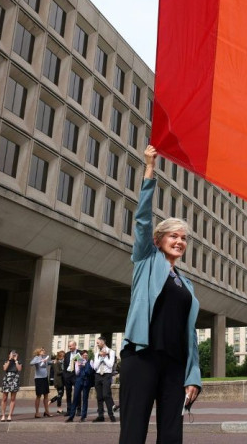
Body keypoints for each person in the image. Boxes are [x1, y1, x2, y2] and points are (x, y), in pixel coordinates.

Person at [119, 145, 201, 444]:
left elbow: (189, 334)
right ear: (158, 239)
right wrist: (149, 169)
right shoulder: (145, 260)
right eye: (173, 235)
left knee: (171, 435)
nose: (179, 241)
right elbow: (142, 219)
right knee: (133, 432)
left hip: (175, 365)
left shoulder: (186, 284)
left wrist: (193, 376)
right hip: (142, 358)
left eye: (184, 238)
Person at [91, 336, 117, 422]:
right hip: (98, 375)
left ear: (103, 342)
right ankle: (100, 416)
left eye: (98, 342)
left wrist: (104, 357)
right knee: (99, 397)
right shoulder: (96, 353)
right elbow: (95, 367)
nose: (97, 344)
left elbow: (110, 365)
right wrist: (100, 356)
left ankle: (111, 414)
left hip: (107, 375)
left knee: (106, 394)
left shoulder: (111, 352)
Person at [66, 350, 94, 422]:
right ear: (81, 356)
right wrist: (78, 365)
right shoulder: (78, 361)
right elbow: (77, 372)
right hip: (79, 380)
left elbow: (90, 372)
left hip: (86, 381)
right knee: (75, 398)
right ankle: (71, 416)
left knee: (85, 399)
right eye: (84, 355)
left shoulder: (90, 362)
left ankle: (83, 416)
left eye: (86, 355)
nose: (85, 356)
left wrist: (85, 365)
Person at [30, 348, 53, 418]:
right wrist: (40, 360)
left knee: (46, 395)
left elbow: (48, 363)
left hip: (45, 378)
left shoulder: (45, 358)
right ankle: (37, 413)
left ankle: (47, 411)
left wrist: (54, 361)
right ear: (39, 352)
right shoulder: (36, 358)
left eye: (44, 350)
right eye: (42, 350)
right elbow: (31, 363)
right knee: (38, 396)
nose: (44, 351)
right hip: (38, 378)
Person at [0, 350, 21, 421]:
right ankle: (3, 415)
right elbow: (5, 368)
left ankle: (9, 415)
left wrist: (16, 360)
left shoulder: (18, 361)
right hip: (7, 379)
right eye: (12, 354)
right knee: (4, 398)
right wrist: (9, 360)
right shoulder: (6, 361)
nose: (13, 355)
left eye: (15, 354)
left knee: (13, 398)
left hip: (15, 379)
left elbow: (19, 369)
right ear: (9, 355)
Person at [63, 340, 79, 415]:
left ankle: (78, 410)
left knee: (77, 393)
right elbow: (65, 366)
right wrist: (65, 375)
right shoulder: (66, 354)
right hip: (68, 375)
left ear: (75, 345)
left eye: (71, 346)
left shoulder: (79, 353)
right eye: (69, 346)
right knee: (68, 394)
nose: (69, 347)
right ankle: (69, 410)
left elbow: (82, 363)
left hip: (76, 375)